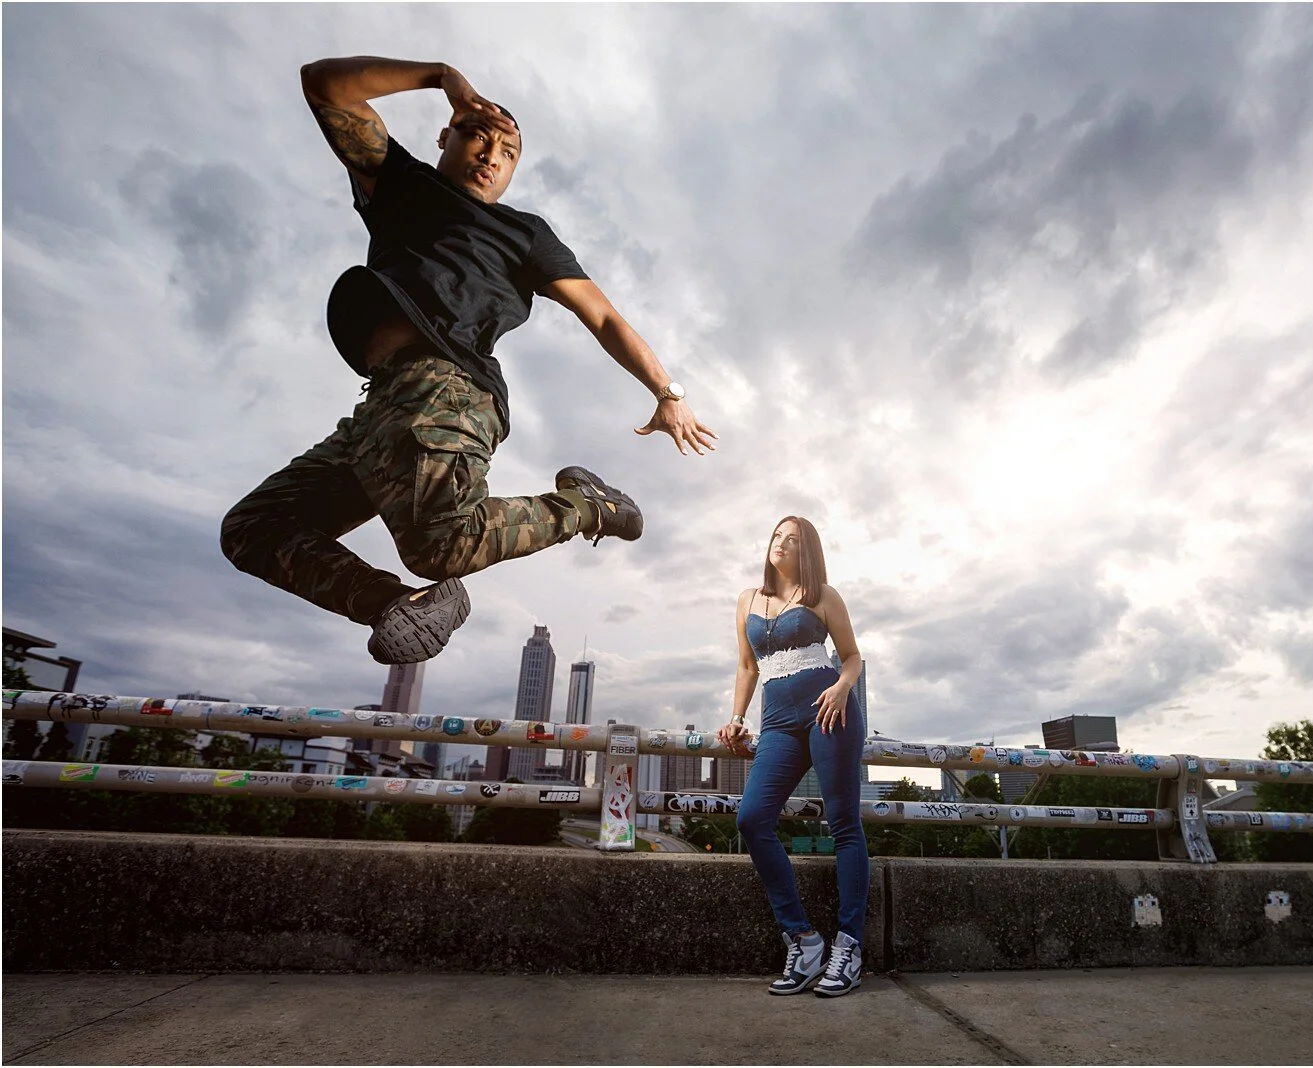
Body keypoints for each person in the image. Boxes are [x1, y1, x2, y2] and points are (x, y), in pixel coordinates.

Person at [220, 55, 716, 664]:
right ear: (445, 136)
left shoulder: (524, 234)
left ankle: (588, 506)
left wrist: (668, 393)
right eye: (480, 135)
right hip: (378, 409)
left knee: (441, 545)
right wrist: (441, 77)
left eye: (508, 152)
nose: (491, 155)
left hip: (447, 390)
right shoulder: (401, 184)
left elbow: (604, 316)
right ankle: (391, 604)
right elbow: (322, 85)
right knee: (253, 529)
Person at [717, 517, 867, 997]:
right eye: (777, 536)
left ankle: (849, 947)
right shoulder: (748, 599)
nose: (781, 544)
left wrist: (843, 688)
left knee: (843, 824)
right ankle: (803, 940)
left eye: (794, 539)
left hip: (829, 712)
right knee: (752, 819)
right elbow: (746, 665)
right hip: (778, 722)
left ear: (808, 551)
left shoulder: (823, 594)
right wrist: (737, 717)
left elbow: (852, 657)